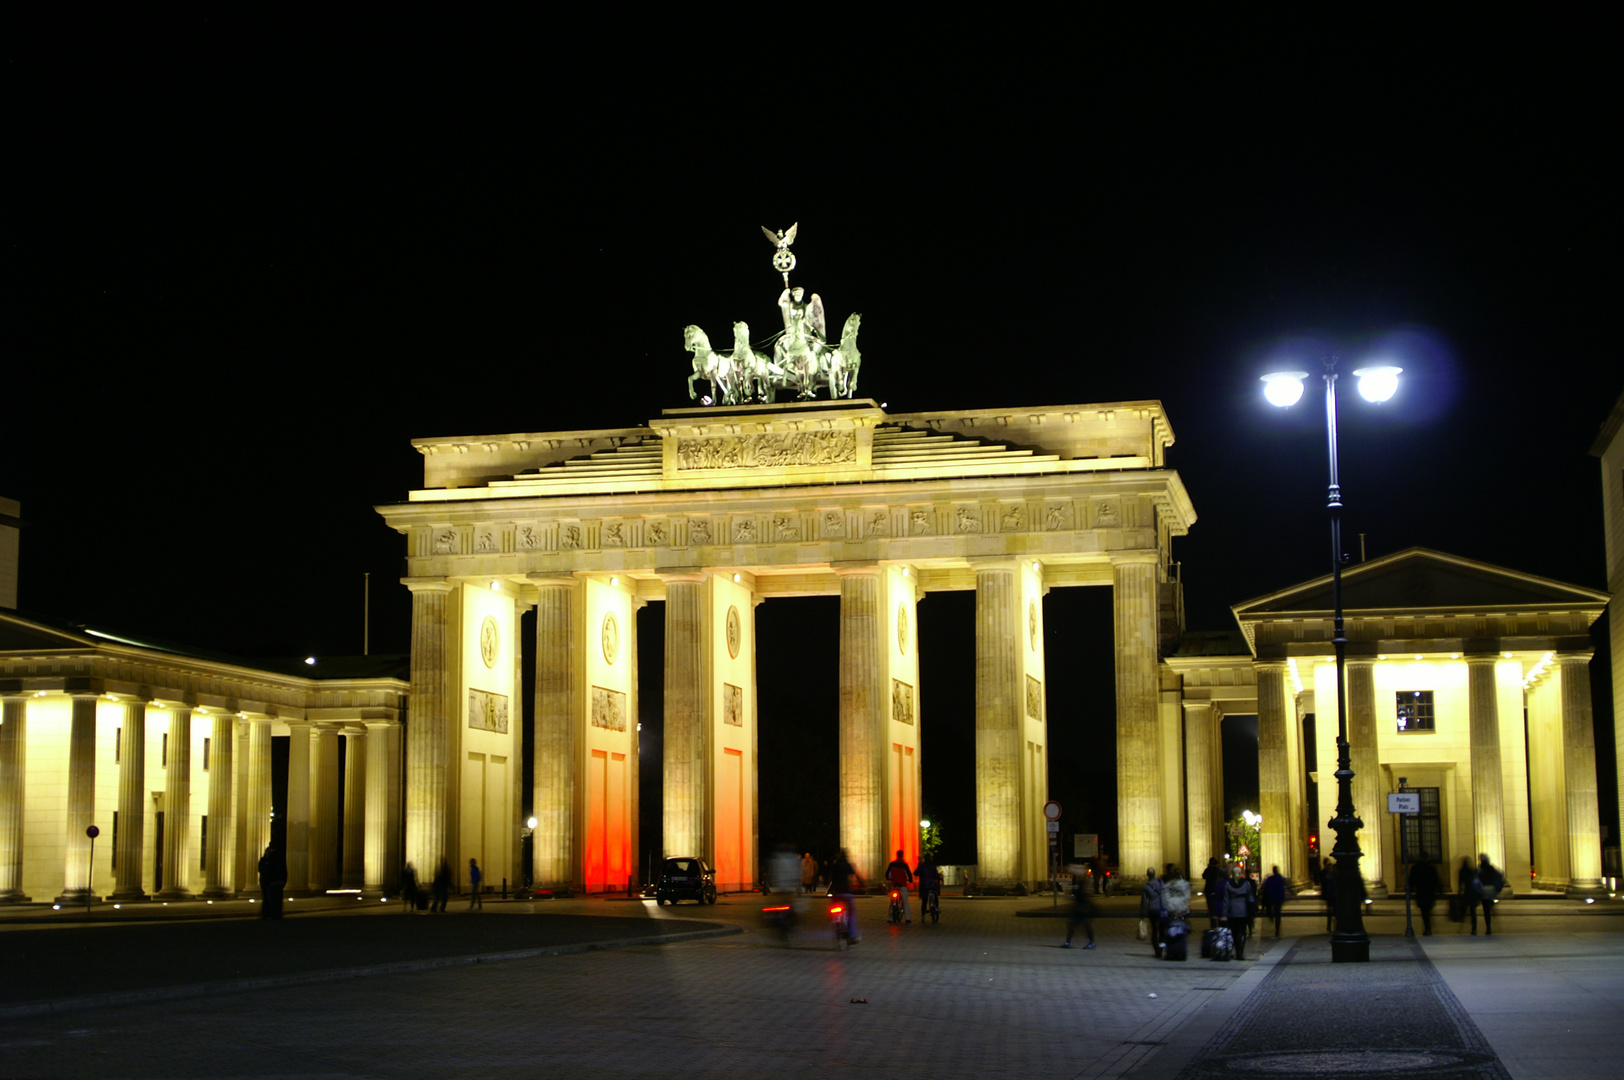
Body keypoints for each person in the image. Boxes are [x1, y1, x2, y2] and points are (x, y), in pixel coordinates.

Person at [1221, 865, 1259, 959]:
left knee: (1234, 932)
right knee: (1242, 932)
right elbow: (1250, 897)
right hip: (1244, 910)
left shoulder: (1228, 884)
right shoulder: (1246, 884)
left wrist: (1224, 914)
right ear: (1240, 873)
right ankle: (1240, 953)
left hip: (1233, 911)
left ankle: (1237, 950)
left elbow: (1226, 900)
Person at [829, 848, 862, 943]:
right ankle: (852, 936)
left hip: (836, 892)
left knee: (833, 907)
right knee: (851, 912)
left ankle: (835, 922)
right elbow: (856, 876)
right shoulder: (848, 865)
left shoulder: (835, 865)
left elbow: (830, 879)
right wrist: (861, 884)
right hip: (846, 892)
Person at [1061, 864, 1097, 949]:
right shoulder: (1081, 881)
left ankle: (1090, 942)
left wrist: (1072, 895)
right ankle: (1068, 942)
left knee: (1081, 924)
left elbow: (1082, 894)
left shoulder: (1082, 882)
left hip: (1082, 907)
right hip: (1081, 907)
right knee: (1076, 924)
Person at [1162, 865, 1191, 958]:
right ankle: (1181, 948)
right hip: (1182, 908)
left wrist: (1169, 906)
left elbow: (1165, 898)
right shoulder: (1185, 884)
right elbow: (1187, 897)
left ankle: (1171, 949)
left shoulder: (1168, 885)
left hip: (1172, 908)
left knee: (1170, 928)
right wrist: (1185, 908)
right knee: (1182, 928)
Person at [1476, 853, 1504, 935]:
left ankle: (1488, 927)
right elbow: (1500, 875)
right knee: (1490, 905)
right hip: (1492, 890)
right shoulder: (1491, 869)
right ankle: (1491, 924)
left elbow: (1476, 879)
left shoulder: (1479, 869)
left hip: (1484, 890)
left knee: (1486, 910)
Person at [1410, 859, 1440, 936]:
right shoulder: (1431, 867)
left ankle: (1428, 927)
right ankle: (1428, 927)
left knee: (1424, 911)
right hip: (1429, 892)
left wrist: (1410, 889)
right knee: (1428, 910)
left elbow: (1412, 880)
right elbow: (1436, 880)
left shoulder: (1416, 868)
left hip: (1421, 892)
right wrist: (1440, 891)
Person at [1140, 867, 1165, 958]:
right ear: (1155, 874)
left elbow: (1144, 902)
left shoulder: (1146, 886)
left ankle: (1156, 950)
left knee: (1154, 930)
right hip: (1162, 909)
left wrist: (1142, 914)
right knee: (1162, 930)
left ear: (1147, 875)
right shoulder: (1161, 883)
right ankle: (1161, 947)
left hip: (1152, 909)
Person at [257, 843, 287, 920]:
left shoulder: (268, 859)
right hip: (277, 882)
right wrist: (283, 881)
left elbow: (263, 870)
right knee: (277, 899)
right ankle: (276, 914)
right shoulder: (279, 858)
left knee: (269, 899)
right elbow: (284, 870)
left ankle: (268, 914)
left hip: (271, 882)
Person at [885, 849, 914, 923]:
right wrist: (910, 880)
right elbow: (909, 874)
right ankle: (907, 918)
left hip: (894, 885)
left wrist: (889, 878)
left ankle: (890, 918)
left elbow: (887, 874)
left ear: (897, 855)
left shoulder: (892, 864)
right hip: (903, 885)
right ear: (902, 855)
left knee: (892, 902)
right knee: (905, 902)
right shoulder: (904, 865)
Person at [1261, 865, 1288, 936]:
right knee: (1277, 913)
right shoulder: (1280, 878)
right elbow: (1287, 885)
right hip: (1279, 897)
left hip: (1272, 897)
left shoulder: (1270, 879)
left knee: (1273, 911)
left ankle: (1272, 919)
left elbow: (1265, 888)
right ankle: (1277, 928)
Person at [1457, 856, 1481, 934]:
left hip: (1467, 893)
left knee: (1463, 911)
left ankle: (1461, 927)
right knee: (1473, 912)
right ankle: (1474, 928)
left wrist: (1460, 892)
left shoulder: (1462, 871)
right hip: (1473, 893)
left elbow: (1460, 883)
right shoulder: (1472, 871)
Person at [915, 853, 942, 918]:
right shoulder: (933, 866)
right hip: (932, 884)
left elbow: (915, 872)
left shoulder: (922, 866)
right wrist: (938, 878)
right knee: (935, 895)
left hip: (925, 885)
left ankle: (923, 915)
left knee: (924, 900)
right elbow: (936, 874)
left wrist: (920, 875)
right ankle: (937, 908)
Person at [1201, 857, 1226, 927]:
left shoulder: (1208, 870)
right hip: (1217, 889)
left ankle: (1213, 923)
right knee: (1218, 905)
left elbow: (1203, 876)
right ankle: (1219, 922)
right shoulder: (1218, 870)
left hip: (1209, 889)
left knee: (1211, 908)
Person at [1321, 859, 1338, 932]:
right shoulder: (1333, 877)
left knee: (1331, 912)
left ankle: (1330, 926)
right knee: (1335, 911)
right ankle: (1335, 925)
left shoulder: (1327, 877)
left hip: (1330, 896)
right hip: (1333, 896)